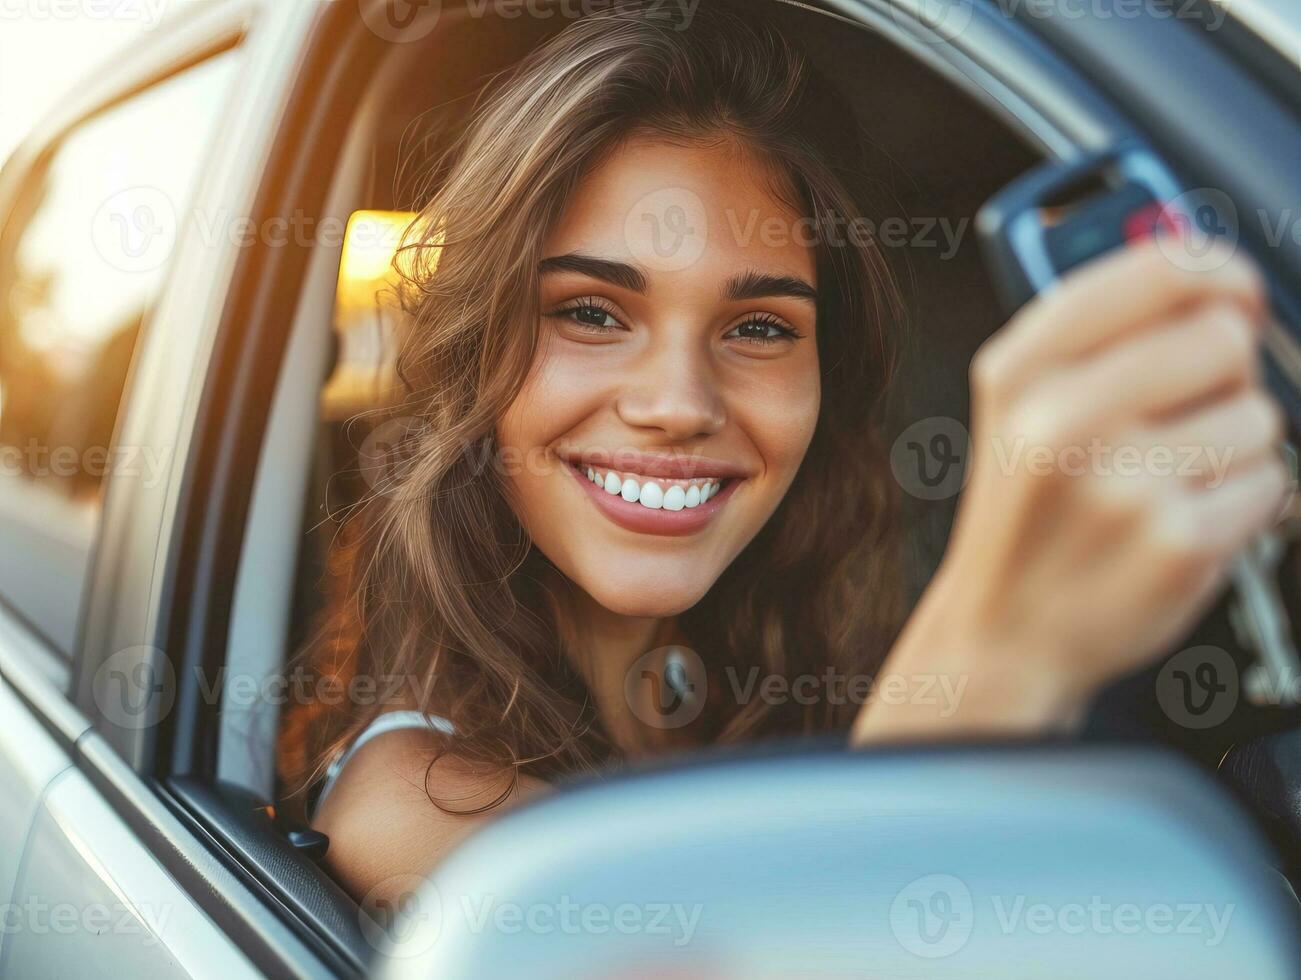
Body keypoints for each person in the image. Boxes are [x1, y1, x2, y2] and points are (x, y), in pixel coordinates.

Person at [277, 2, 1285, 904]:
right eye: (589, 311)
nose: (677, 403)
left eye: (758, 326)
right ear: (471, 362)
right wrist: (1001, 644)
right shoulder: (409, 807)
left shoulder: (788, 676)